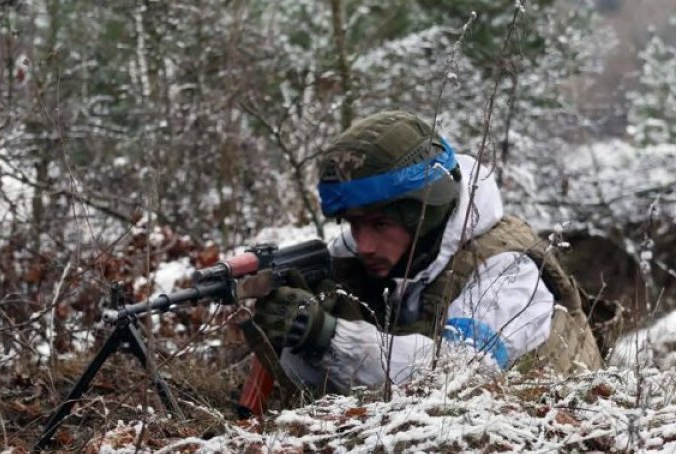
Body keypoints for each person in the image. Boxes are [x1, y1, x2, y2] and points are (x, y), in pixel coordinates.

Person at [252, 110, 603, 396]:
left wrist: (327, 334)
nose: (364, 244)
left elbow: (458, 376)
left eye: (380, 224)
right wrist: (293, 326)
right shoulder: (367, 253)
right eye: (354, 224)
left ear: (424, 212)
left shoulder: (507, 271)